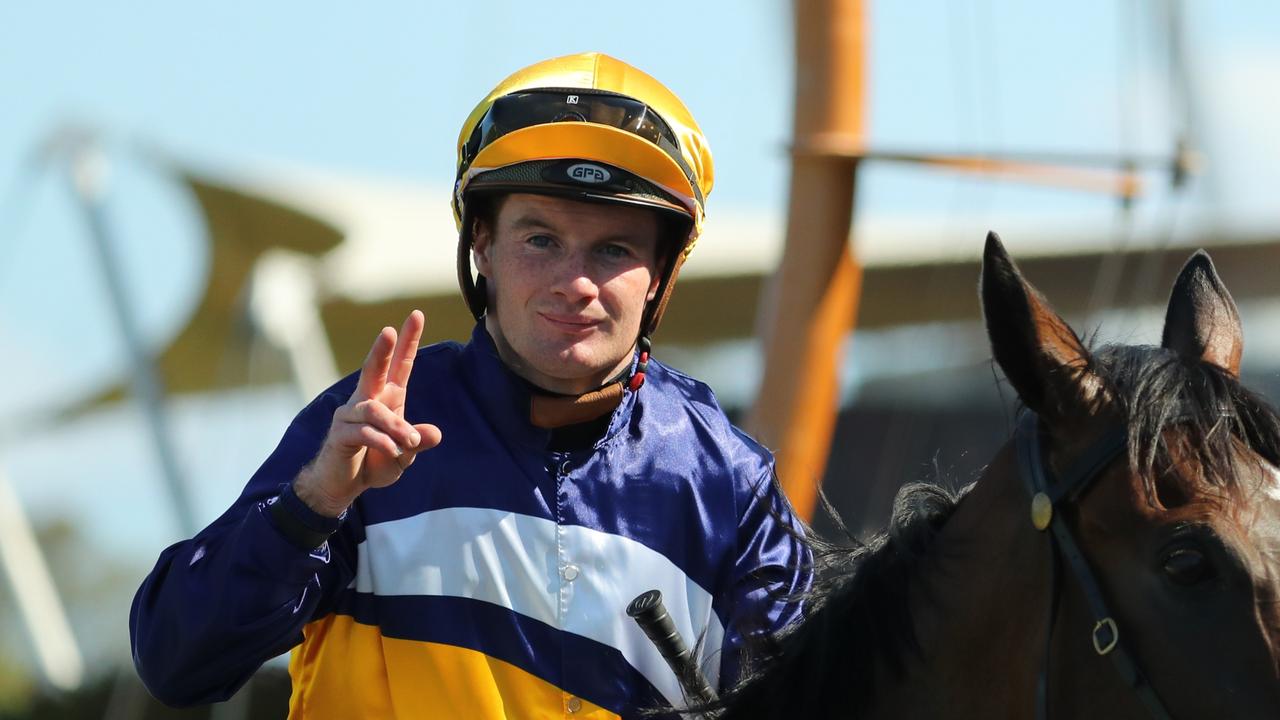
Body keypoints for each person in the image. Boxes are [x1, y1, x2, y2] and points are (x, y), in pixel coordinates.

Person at [130, 51, 810, 719]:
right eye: (540, 240)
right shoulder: (365, 427)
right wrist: (313, 504)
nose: (575, 282)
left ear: (660, 273)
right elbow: (176, 662)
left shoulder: (727, 479)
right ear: (481, 246)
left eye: (614, 249)